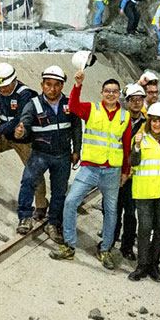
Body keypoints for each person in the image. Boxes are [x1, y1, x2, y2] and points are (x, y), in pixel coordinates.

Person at [49, 71, 132, 268]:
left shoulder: (124, 116)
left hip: (112, 170)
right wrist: (77, 85)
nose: (111, 94)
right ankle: (69, 246)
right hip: (90, 168)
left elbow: (127, 146)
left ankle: (105, 250)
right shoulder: (92, 109)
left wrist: (125, 171)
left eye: (114, 91)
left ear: (119, 94)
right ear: (102, 93)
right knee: (70, 202)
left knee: (111, 211)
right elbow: (74, 107)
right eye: (107, 91)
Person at [0, 63, 48, 220]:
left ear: (14, 80)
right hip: (6, 135)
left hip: (25, 139)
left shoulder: (26, 95)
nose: (3, 90)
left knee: (34, 171)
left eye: (5, 87)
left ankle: (41, 205)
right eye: (0, 87)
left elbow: (20, 118)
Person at [12, 66, 81, 242]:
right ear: (42, 85)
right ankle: (25, 217)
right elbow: (25, 124)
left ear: (62, 86)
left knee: (59, 191)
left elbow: (76, 128)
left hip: (63, 156)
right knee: (28, 182)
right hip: (40, 154)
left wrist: (76, 150)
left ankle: (53, 223)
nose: (52, 88)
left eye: (57, 85)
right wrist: (22, 131)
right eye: (48, 84)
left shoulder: (69, 105)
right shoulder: (33, 105)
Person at [128, 101, 160, 282]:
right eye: (154, 121)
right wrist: (136, 147)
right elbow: (132, 162)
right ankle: (141, 265)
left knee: (159, 230)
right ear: (150, 121)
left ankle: (153, 265)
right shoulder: (141, 138)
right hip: (144, 192)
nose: (158, 124)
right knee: (144, 228)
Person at [113, 84, 146, 261]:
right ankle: (110, 242)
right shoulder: (120, 119)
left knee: (131, 214)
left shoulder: (147, 125)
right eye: (132, 100)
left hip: (135, 177)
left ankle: (127, 247)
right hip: (116, 173)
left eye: (139, 99)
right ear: (127, 102)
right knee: (113, 210)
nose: (136, 103)